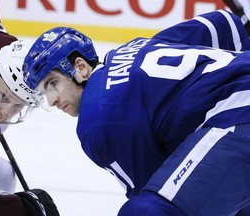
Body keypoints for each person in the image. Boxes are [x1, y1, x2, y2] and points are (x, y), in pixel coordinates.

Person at [22, 6, 250, 216]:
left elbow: (154, 187)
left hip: (237, 114)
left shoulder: (97, 120)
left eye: (52, 83)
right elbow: (224, 24)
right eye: (44, 92)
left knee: (145, 211)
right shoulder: (136, 47)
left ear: (80, 68)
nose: (51, 100)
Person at [0, 0, 59, 215]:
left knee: (5, 176)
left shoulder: (1, 47)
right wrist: (25, 209)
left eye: (18, 105)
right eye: (4, 97)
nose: (5, 112)